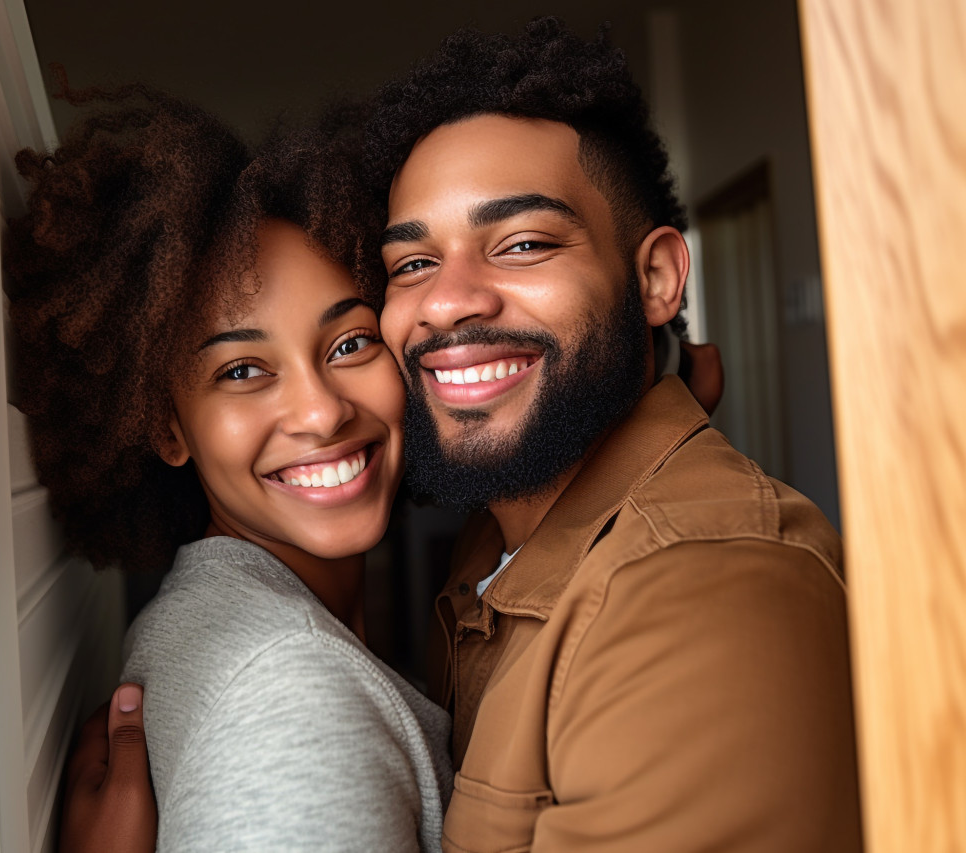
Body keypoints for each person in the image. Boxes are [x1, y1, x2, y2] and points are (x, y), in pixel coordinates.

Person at [63, 17, 862, 853]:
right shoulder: (490, 548)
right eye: (412, 264)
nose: (448, 301)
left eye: (520, 244)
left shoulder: (703, 600)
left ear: (655, 275)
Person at [5, 90, 452, 851]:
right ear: (168, 428)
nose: (320, 411)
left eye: (349, 343)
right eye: (244, 370)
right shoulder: (288, 694)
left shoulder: (216, 617)